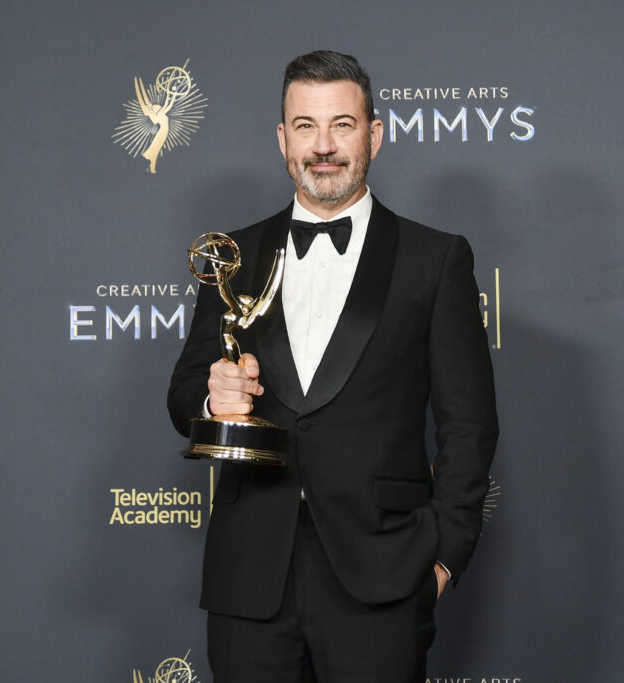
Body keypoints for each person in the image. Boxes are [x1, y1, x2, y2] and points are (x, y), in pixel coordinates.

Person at [168, 50, 498, 683]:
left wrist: (443, 561)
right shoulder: (233, 255)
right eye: (305, 126)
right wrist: (214, 401)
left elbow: (470, 425)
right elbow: (183, 391)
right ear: (281, 138)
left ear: (374, 135)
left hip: (383, 578)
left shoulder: (435, 259)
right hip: (249, 581)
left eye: (342, 125)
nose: (324, 146)